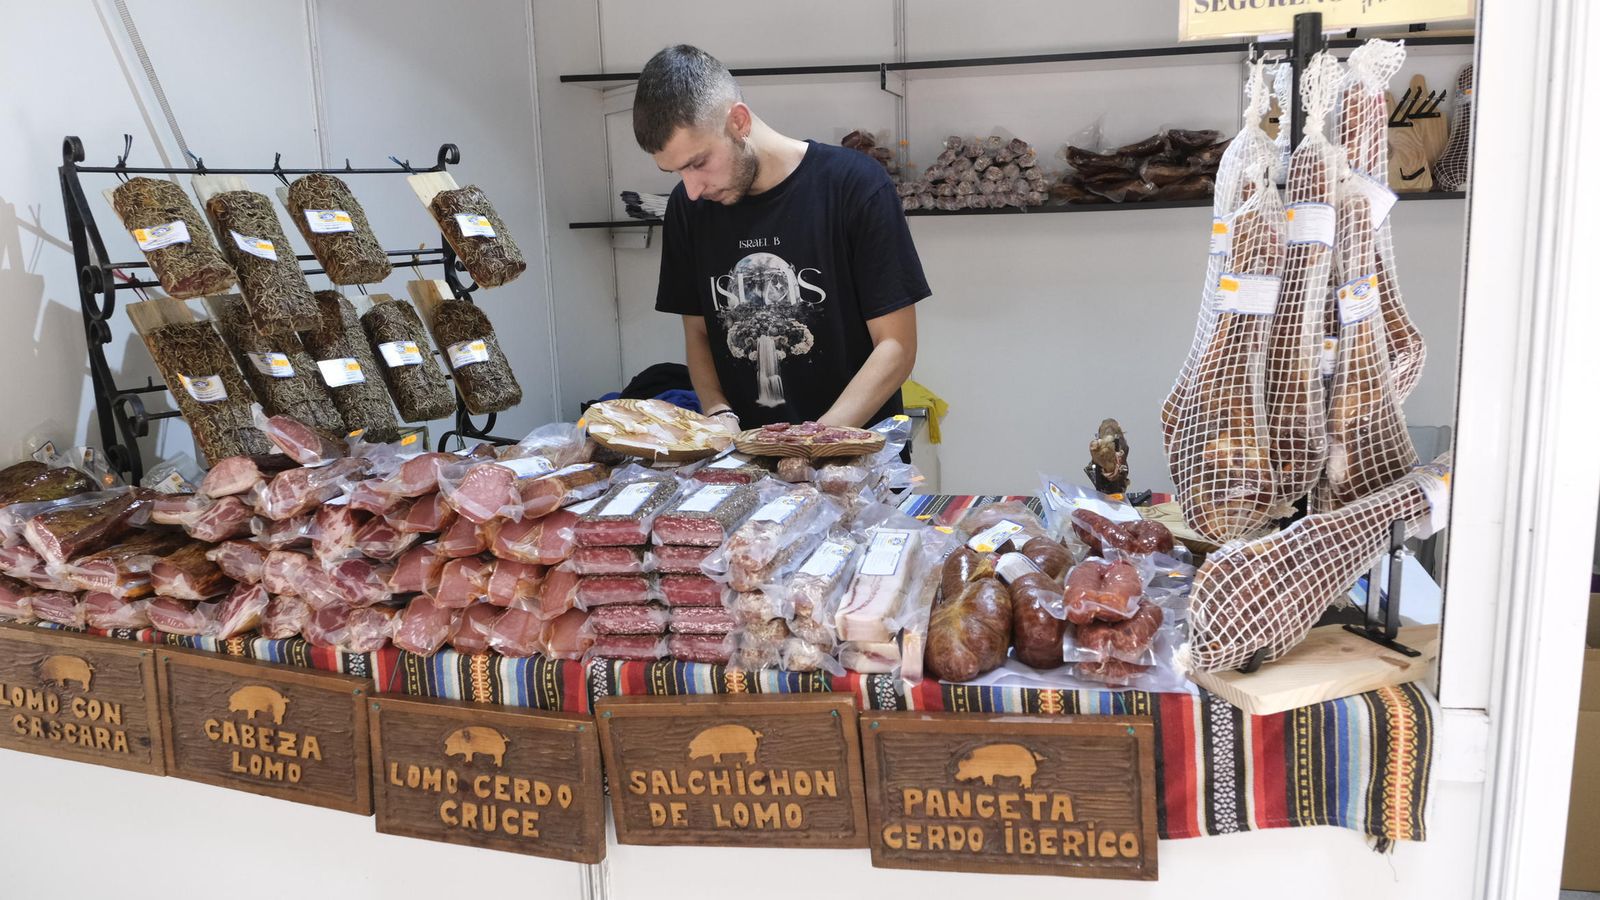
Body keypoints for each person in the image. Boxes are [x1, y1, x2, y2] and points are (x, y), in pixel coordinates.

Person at [633, 44, 930, 437]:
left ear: (738, 121)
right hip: (747, 466)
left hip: (855, 464)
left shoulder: (853, 187)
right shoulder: (688, 210)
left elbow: (895, 347)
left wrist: (811, 442)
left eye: (698, 163)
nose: (691, 189)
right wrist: (719, 414)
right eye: (675, 172)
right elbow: (700, 332)